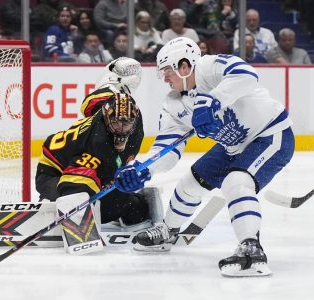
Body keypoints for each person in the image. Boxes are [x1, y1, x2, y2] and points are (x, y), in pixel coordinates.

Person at [113, 37, 294, 277]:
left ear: (184, 66)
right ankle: (169, 231)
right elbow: (168, 148)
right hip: (234, 145)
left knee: (236, 182)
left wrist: (212, 99)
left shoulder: (209, 67)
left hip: (271, 134)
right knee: (189, 184)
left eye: (167, 71)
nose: (164, 78)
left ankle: (252, 250)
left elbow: (247, 75)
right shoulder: (173, 104)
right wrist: (144, 168)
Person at [35, 92, 150, 228]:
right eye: (115, 122)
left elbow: (91, 101)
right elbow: (75, 183)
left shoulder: (133, 122)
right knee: (86, 197)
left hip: (88, 165)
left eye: (127, 123)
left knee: (137, 209)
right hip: (53, 171)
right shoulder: (98, 142)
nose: (121, 129)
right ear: (107, 117)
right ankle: (50, 201)